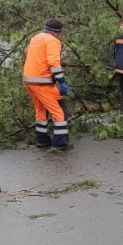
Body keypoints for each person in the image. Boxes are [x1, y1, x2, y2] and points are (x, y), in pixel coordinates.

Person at [23, 18, 71, 149]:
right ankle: (60, 143)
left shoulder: (36, 38)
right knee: (59, 111)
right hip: (42, 82)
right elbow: (54, 64)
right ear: (57, 32)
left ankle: (42, 140)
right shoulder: (53, 41)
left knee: (40, 111)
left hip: (29, 80)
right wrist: (62, 82)